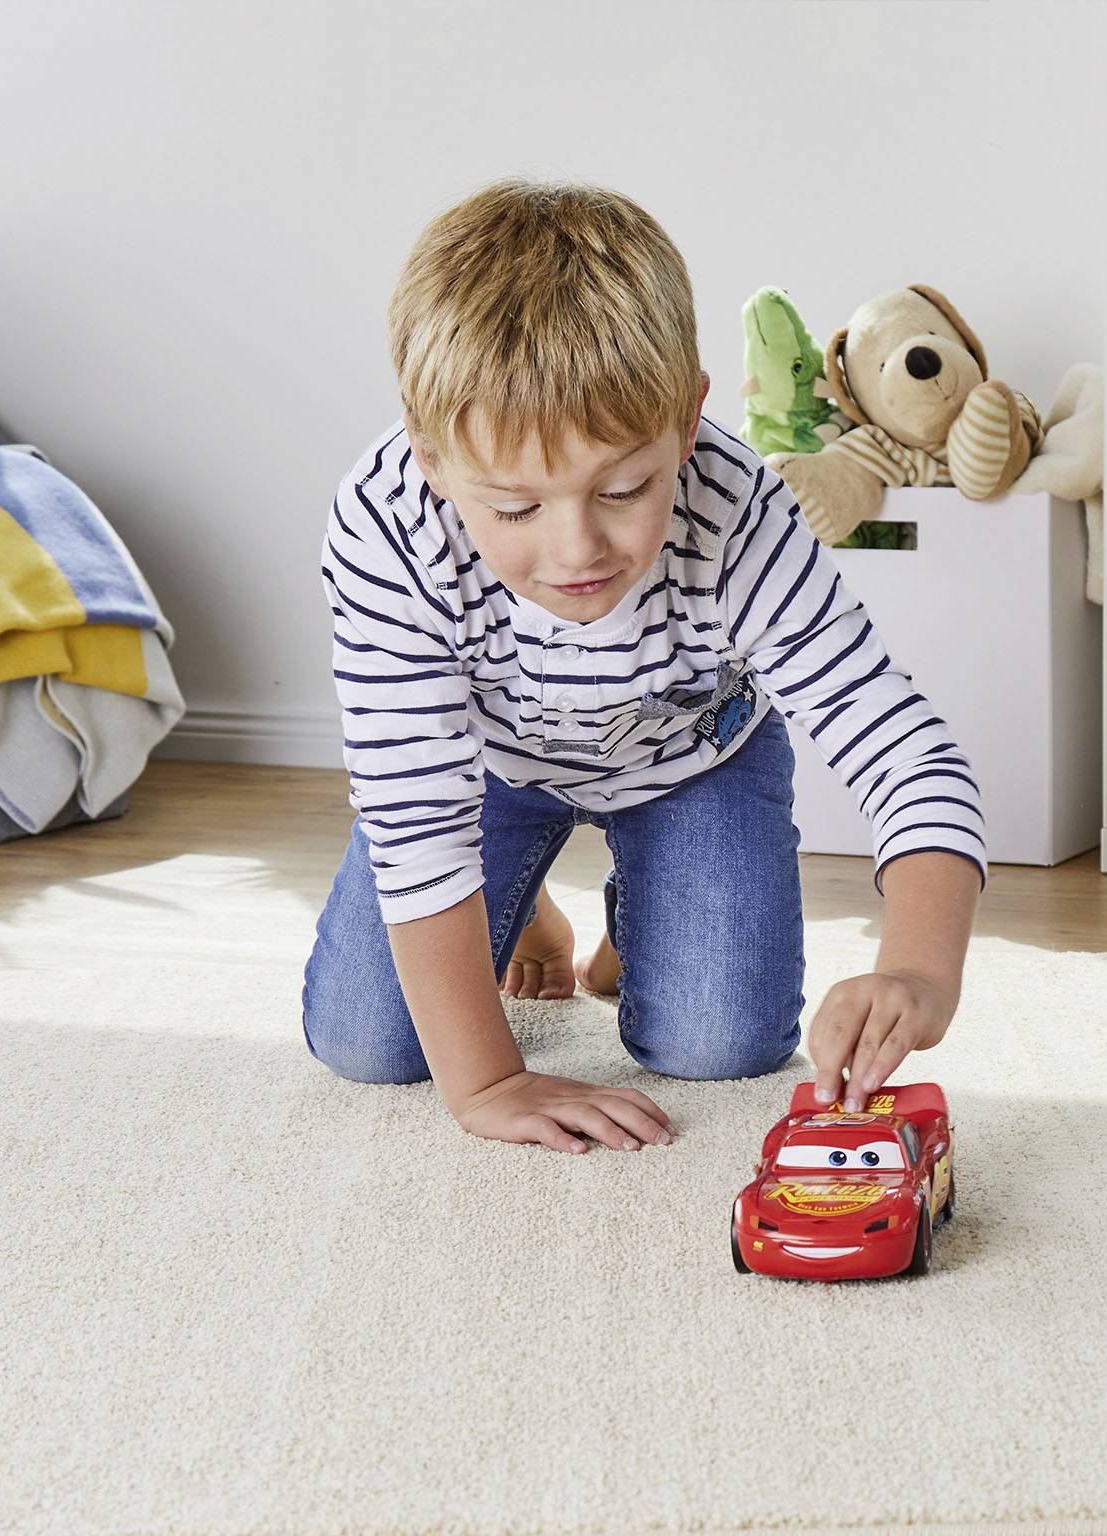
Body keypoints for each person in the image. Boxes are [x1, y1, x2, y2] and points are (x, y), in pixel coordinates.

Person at [301, 175, 985, 1156]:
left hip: (691, 765)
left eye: (624, 487)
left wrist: (920, 971)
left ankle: (646, 898)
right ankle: (522, 898)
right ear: (429, 456)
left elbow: (901, 746)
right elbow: (413, 820)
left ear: (688, 418)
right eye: (515, 508)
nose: (577, 551)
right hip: (488, 776)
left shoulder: (736, 509)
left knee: (716, 1044)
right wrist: (489, 1082)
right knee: (368, 1042)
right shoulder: (385, 523)